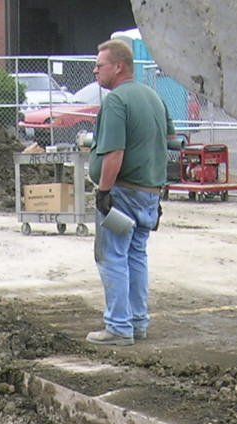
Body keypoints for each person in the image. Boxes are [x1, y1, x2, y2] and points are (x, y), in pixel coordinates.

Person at [87, 38, 173, 347]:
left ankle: (118, 327)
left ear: (119, 66)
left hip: (122, 193)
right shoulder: (153, 96)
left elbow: (114, 154)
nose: (96, 71)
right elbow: (171, 141)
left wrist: (104, 192)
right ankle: (138, 322)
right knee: (136, 254)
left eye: (100, 66)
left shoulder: (116, 101)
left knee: (112, 256)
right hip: (148, 192)